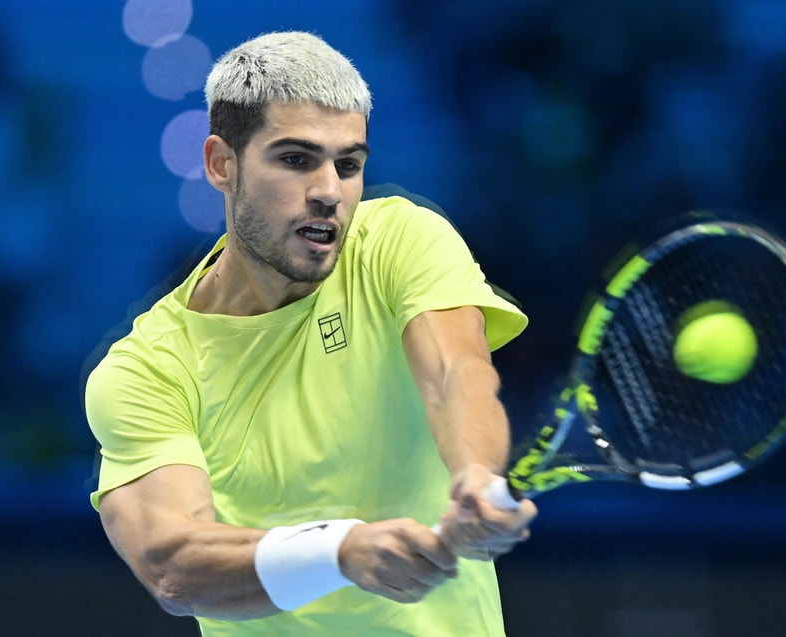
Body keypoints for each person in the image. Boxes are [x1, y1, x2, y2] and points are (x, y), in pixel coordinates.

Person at [84, 31, 537, 636]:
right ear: (222, 163)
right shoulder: (146, 372)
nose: (329, 191)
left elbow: (457, 374)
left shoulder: (400, 241)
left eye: (348, 164)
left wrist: (476, 476)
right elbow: (175, 568)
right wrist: (339, 552)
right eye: (296, 159)